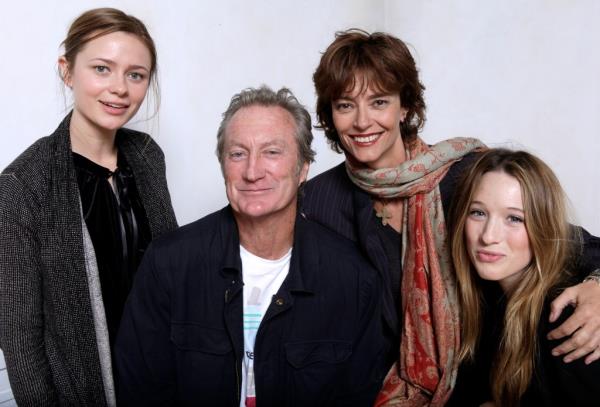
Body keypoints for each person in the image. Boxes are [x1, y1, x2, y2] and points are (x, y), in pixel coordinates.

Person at [302, 29, 600, 405]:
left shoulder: (463, 174)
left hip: (492, 369)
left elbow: (560, 239)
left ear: (405, 106)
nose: (362, 122)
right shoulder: (318, 202)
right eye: (345, 105)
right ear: (330, 114)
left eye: (379, 102)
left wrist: (599, 284)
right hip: (384, 387)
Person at [115, 86, 386, 406]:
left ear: (302, 168)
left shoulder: (354, 280)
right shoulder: (168, 264)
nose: (252, 171)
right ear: (223, 166)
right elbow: (140, 392)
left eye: (272, 152)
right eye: (238, 153)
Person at [0, 8, 177, 406]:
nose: (120, 88)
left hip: (160, 378)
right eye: (102, 68)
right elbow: (19, 339)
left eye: (136, 74)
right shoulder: (22, 186)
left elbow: (169, 273)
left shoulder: (149, 157)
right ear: (67, 70)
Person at [446, 149, 600, 406]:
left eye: (514, 218)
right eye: (478, 213)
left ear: (544, 227)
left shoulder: (565, 320)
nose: (488, 236)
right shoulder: (490, 301)